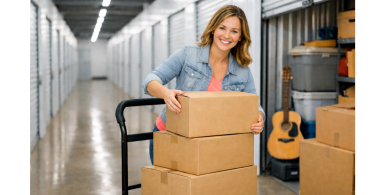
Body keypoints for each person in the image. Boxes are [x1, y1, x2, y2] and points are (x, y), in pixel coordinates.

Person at [142, 5, 265, 165]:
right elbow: (150, 80)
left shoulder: (242, 70)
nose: (227, 35)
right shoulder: (188, 54)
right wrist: (165, 93)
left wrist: (259, 118)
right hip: (172, 134)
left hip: (211, 142)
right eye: (222, 28)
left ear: (241, 37)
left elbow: (254, 105)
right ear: (213, 29)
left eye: (234, 31)